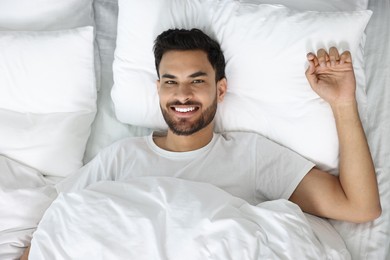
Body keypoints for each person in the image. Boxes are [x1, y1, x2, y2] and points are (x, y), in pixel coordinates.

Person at [21, 28, 381, 259]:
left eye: (197, 81)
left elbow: (360, 207)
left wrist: (343, 103)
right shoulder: (120, 158)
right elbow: (57, 232)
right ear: (158, 89)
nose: (182, 94)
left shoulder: (251, 155)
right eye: (170, 81)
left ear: (219, 89)